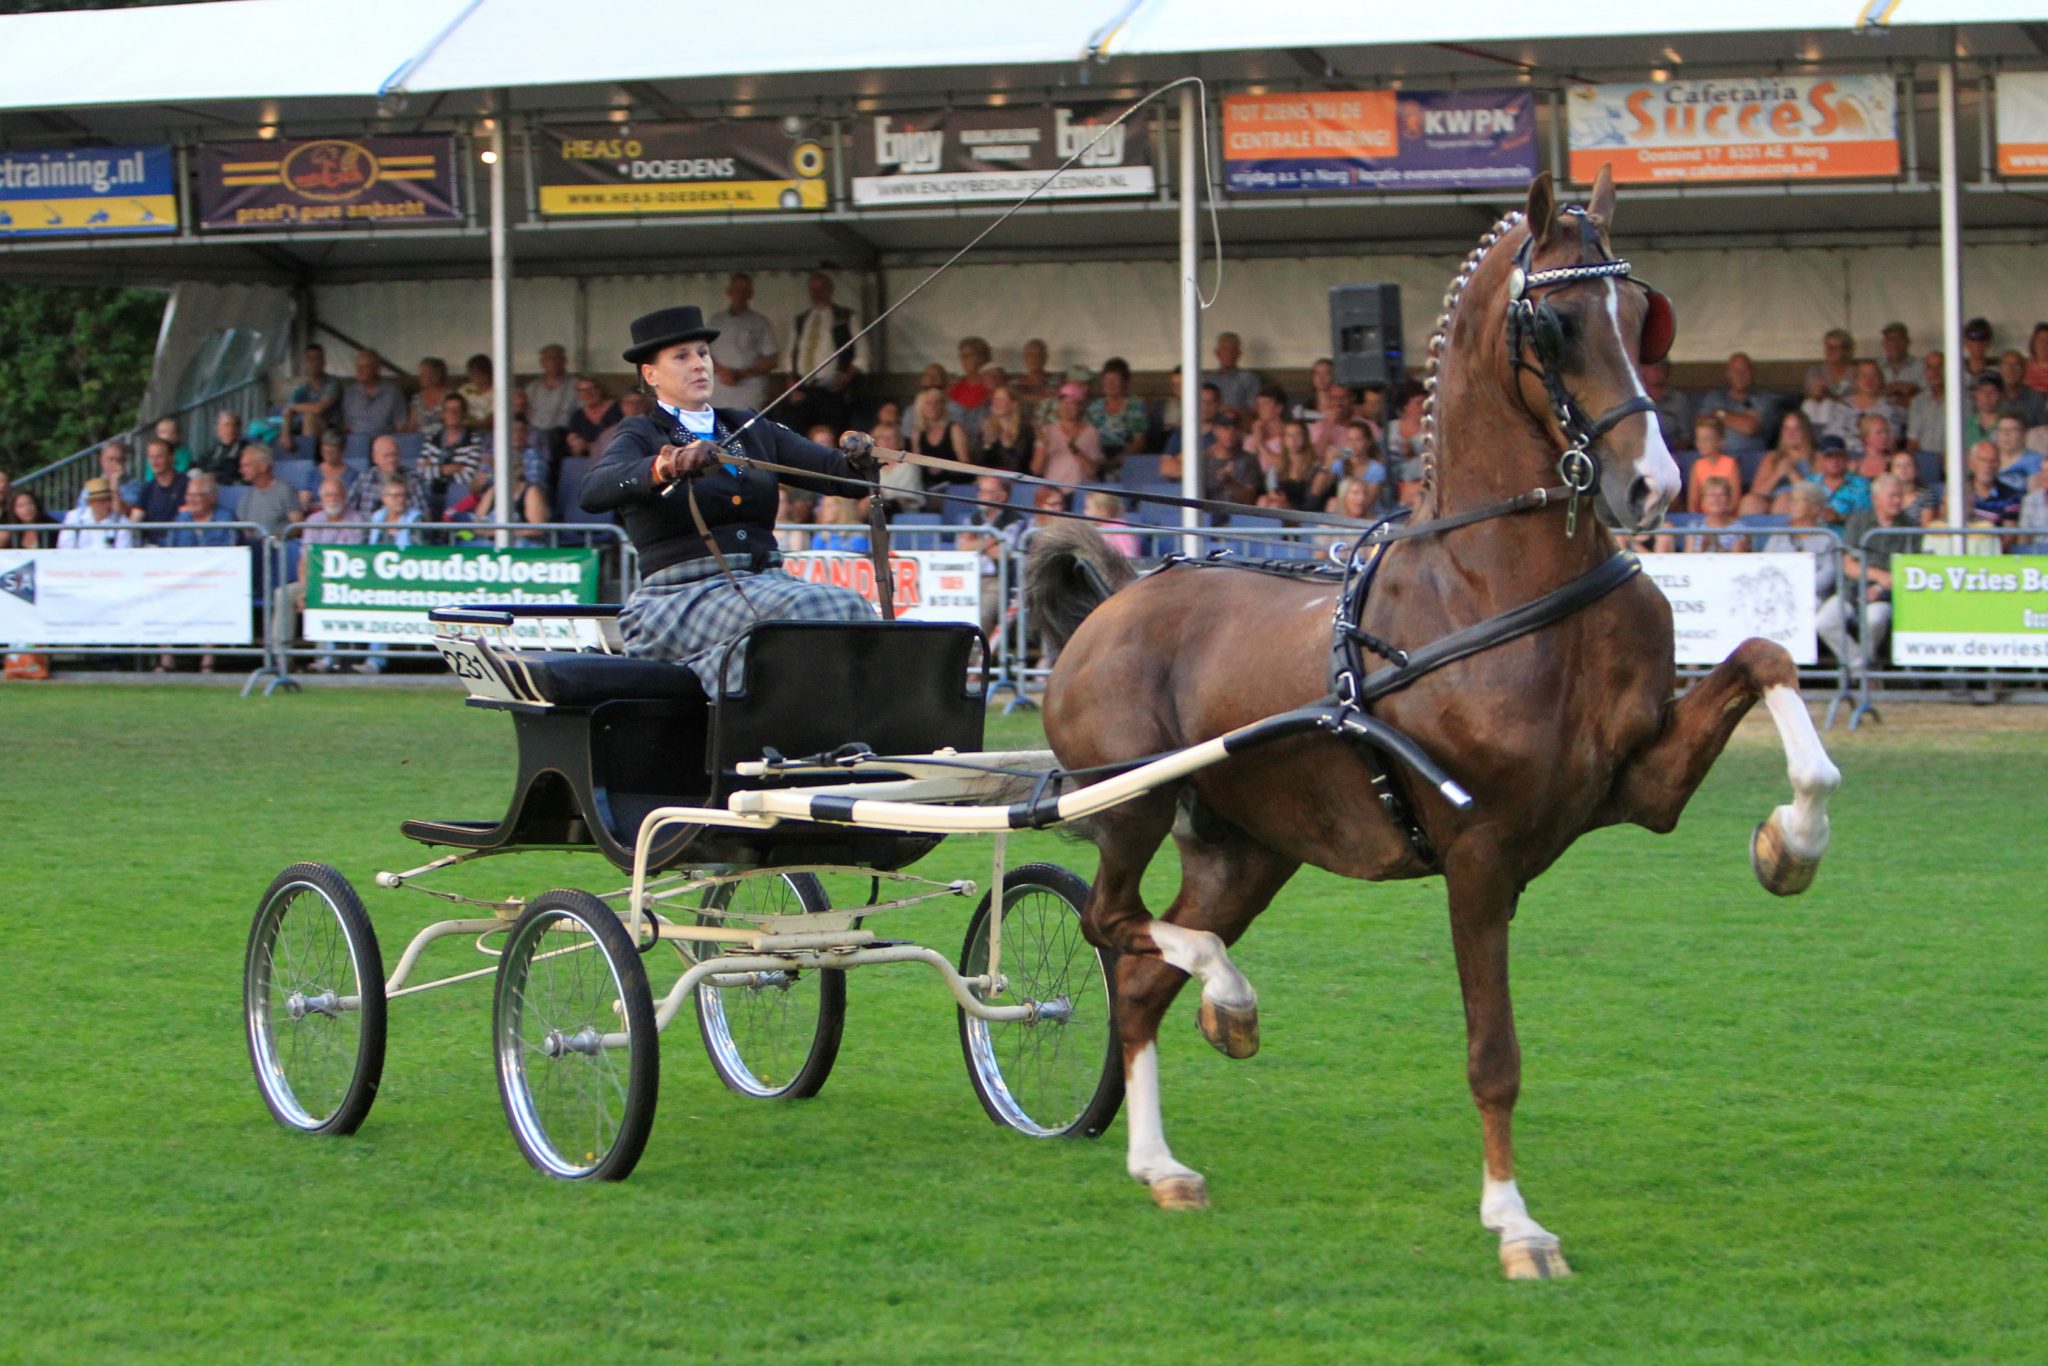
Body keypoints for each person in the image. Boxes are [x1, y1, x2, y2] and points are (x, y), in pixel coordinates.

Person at [581, 303, 881, 693]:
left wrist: (862, 458)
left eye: (703, 353)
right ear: (650, 374)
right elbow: (594, 490)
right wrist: (664, 467)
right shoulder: (642, 433)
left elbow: (843, 479)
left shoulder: (749, 426)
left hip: (764, 583)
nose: (699, 364)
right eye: (682, 356)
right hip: (680, 599)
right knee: (823, 609)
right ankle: (708, 675)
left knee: (851, 610)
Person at [1820, 473, 1918, 671]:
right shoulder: (1858, 522)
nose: (1897, 501)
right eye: (1892, 496)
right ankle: (1861, 666)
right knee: (1824, 622)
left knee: (1875, 619)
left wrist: (1880, 587)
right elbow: (1847, 564)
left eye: (1900, 496)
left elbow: (1910, 569)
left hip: (1888, 595)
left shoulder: (1910, 526)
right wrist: (1877, 576)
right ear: (1876, 498)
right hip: (1852, 590)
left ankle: (1865, 668)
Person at [293, 477, 365, 673]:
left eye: (336, 494)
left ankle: (326, 659)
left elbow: (354, 560)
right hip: (313, 580)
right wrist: (304, 588)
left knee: (324, 594)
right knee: (281, 595)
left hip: (346, 582)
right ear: (321, 499)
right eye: (328, 495)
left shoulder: (357, 521)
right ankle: (279, 657)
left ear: (345, 496)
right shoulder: (313, 521)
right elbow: (304, 560)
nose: (332, 498)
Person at [784, 272, 865, 432]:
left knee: (832, 434)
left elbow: (863, 354)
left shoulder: (846, 317)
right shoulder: (801, 319)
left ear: (830, 290)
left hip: (832, 389)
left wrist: (846, 377)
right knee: (799, 434)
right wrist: (791, 384)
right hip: (804, 388)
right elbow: (790, 354)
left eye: (821, 289)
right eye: (813, 289)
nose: (817, 294)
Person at [1697, 352, 1774, 466]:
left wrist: (1719, 414)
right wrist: (1742, 418)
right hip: (1716, 459)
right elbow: (1703, 426)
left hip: (1754, 460)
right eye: (1735, 370)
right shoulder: (1714, 398)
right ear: (1727, 374)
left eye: (1744, 370)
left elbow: (1750, 427)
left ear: (1752, 373)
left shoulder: (1764, 398)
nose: (1740, 375)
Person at [1031, 382, 1103, 487]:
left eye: (1072, 403)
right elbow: (1036, 470)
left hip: (1081, 492)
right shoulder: (1047, 431)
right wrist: (1044, 448)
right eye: (1063, 403)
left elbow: (1092, 472)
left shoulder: (1091, 432)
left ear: (1080, 407)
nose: (1066, 407)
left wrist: (1075, 450)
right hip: (1054, 491)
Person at [1086, 357, 1148, 466]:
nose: (1110, 384)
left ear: (1125, 382)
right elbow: (1085, 434)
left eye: (1115, 380)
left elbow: (1139, 441)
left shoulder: (1134, 405)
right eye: (1106, 380)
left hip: (1123, 457)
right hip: (1096, 456)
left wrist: (1116, 461)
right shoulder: (1095, 406)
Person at [235, 446, 301, 541]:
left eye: (246, 466)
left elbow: (297, 527)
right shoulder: (246, 496)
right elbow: (245, 530)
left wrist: (275, 538)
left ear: (263, 466)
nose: (241, 470)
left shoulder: (285, 491)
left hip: (279, 549)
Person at [1751, 410, 1818, 505]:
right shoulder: (1772, 457)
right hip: (1770, 503)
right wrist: (1777, 474)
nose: (1790, 433)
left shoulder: (1816, 458)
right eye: (1786, 428)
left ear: (1805, 431)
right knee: (1749, 502)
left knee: (1785, 499)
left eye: (1796, 428)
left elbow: (1817, 496)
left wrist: (1792, 473)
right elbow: (1756, 493)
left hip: (1803, 505)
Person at [340, 349, 407, 438]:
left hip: (382, 442)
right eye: (358, 367)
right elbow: (347, 426)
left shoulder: (392, 392)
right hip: (356, 442)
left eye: (365, 367)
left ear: (377, 369)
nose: (360, 370)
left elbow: (401, 427)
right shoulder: (350, 392)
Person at [129, 439, 187, 540]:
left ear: (171, 457)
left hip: (179, 544)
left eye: (159, 457)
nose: (154, 462)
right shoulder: (147, 489)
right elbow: (135, 520)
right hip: (151, 548)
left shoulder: (186, 485)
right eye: (151, 457)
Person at [1686, 414, 1743, 512]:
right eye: (1698, 439)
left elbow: (1735, 501)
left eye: (1706, 439)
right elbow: (1693, 502)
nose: (1701, 443)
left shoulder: (1731, 464)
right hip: (1702, 520)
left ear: (1720, 441)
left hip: (1726, 517)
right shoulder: (1697, 466)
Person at [1808, 435, 1870, 524]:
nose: (1834, 460)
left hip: (1848, 536)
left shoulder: (1861, 484)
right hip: (1814, 536)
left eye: (1839, 455)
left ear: (1846, 457)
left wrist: (1840, 517)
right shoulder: (1810, 483)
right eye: (1829, 456)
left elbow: (1868, 517)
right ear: (1820, 458)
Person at [285, 344, 343, 438]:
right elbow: (288, 411)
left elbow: (319, 408)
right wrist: (285, 435)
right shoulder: (302, 389)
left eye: (317, 359)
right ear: (304, 363)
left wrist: (293, 407)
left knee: (310, 417)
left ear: (323, 363)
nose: (314, 363)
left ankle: (308, 450)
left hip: (332, 430)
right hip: (305, 428)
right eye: (309, 359)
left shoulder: (333, 383)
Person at [58, 478, 135, 549]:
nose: (107, 504)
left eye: (109, 499)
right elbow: (65, 547)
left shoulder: (122, 523)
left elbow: (123, 553)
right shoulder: (74, 517)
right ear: (91, 502)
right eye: (101, 501)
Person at [524, 343, 580, 433]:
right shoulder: (531, 388)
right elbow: (525, 412)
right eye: (549, 358)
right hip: (535, 436)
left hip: (564, 436)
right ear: (542, 362)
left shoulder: (576, 385)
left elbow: (583, 414)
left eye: (557, 358)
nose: (553, 362)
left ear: (564, 361)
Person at [1203, 331, 1261, 416]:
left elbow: (1255, 409)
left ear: (1239, 354)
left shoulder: (1249, 379)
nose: (1229, 355)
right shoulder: (1207, 380)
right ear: (1217, 353)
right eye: (1225, 350)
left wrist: (1230, 410)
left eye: (1233, 351)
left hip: (1238, 422)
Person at [1640, 358, 1693, 453]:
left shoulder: (1679, 399)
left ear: (1668, 370)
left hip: (1674, 454)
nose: (1656, 370)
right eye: (1651, 366)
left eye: (1661, 366)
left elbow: (1686, 436)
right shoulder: (1636, 399)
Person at [975, 386, 1032, 474]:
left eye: (1002, 399)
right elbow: (977, 463)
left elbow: (1016, 466)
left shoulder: (1025, 429)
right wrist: (987, 445)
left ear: (1014, 404)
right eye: (995, 399)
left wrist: (1006, 446)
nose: (997, 403)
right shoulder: (986, 427)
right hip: (989, 480)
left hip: (1017, 482)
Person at [74, 441, 141, 515]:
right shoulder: (91, 486)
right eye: (110, 459)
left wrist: (115, 488)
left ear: (124, 462)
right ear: (102, 461)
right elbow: (80, 513)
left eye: (119, 459)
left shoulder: (134, 486)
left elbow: (127, 514)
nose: (115, 463)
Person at [565, 378, 623, 458]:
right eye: (582, 390)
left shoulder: (618, 409)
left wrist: (588, 446)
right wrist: (575, 444)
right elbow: (575, 450)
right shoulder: (577, 416)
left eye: (591, 388)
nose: (587, 393)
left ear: (600, 389)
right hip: (587, 460)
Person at [1906, 351, 1947, 456]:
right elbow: (1912, 440)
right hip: (1924, 462)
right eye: (1930, 367)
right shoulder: (1918, 401)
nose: (1934, 372)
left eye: (1939, 367)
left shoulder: (1962, 401)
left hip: (1954, 463)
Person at [194, 413, 249, 485]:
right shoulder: (214, 450)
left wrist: (216, 477)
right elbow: (200, 464)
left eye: (234, 425)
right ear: (218, 429)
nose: (230, 429)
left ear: (239, 429)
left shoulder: (246, 450)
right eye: (227, 425)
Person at [1805, 327, 1855, 398]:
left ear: (1846, 350)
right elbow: (1809, 397)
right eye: (1829, 347)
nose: (1831, 351)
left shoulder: (1857, 372)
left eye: (1836, 347)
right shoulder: (1816, 371)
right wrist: (1815, 392)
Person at [1876, 322, 1919, 403]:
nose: (1894, 344)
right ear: (1883, 343)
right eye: (1890, 339)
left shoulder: (1921, 366)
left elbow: (1929, 393)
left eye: (1899, 339)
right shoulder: (1875, 367)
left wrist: (1913, 389)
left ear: (1908, 342)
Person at [409, 357, 453, 435]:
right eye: (420, 374)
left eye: (424, 374)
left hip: (443, 439)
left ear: (436, 376)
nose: (420, 377)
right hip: (420, 440)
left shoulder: (450, 397)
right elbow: (412, 426)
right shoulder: (417, 399)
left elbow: (454, 423)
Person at [459, 353, 496, 423]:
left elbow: (495, 418)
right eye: (471, 372)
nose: (474, 376)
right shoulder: (465, 389)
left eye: (477, 373)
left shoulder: (498, 392)